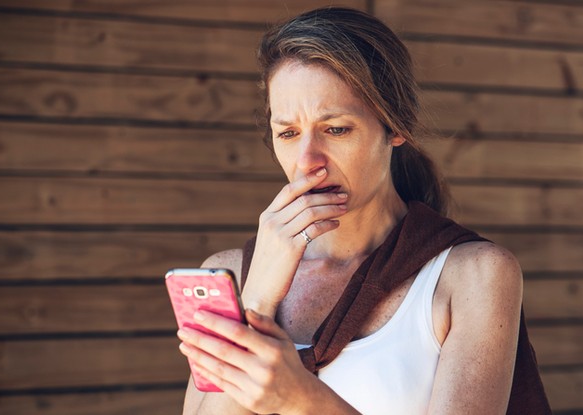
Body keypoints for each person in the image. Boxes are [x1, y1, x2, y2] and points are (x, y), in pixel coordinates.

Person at [176, 7, 550, 415]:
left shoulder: (472, 276)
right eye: (288, 133)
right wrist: (258, 299)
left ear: (395, 126)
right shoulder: (226, 277)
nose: (307, 162)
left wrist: (304, 400)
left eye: (336, 129)